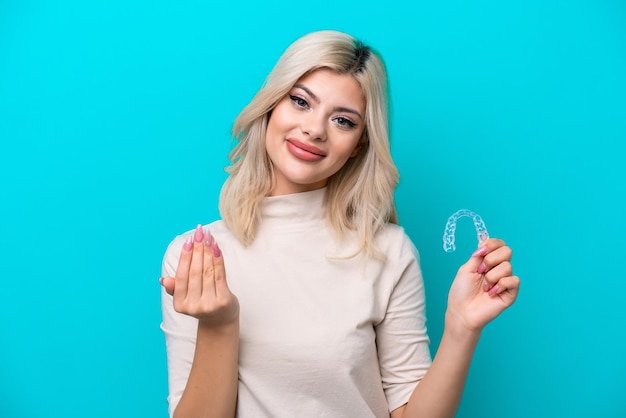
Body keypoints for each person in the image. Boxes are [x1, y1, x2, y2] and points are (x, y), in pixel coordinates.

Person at [159, 30, 520, 418]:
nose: (315, 129)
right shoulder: (197, 258)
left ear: (360, 144)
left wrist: (461, 328)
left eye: (343, 121)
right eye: (300, 101)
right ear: (270, 107)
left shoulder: (389, 251)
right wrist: (219, 324)